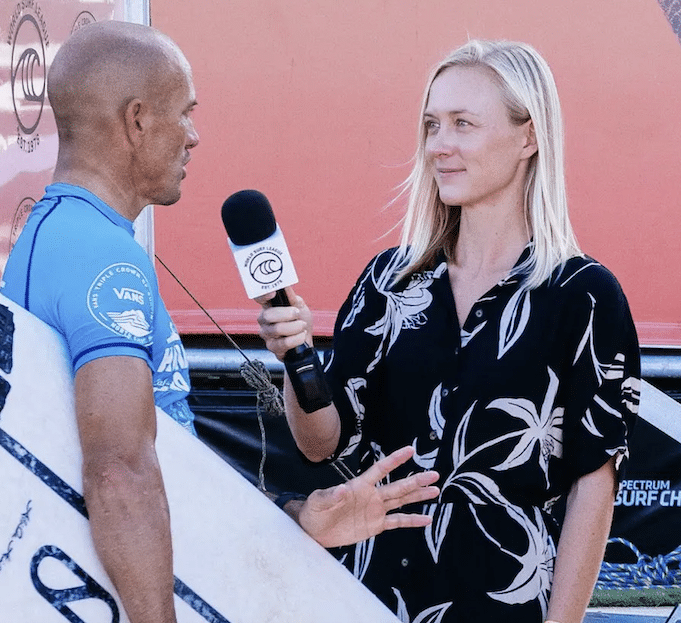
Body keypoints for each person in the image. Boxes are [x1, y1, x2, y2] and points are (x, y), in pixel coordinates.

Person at [1, 20, 439, 623]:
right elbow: (120, 472)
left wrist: (294, 515)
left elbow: (165, 466)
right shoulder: (101, 253)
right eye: (184, 113)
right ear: (137, 121)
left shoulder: (60, 234)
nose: (194, 136)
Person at [257, 39, 641, 623]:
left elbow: (594, 486)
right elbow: (321, 442)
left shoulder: (584, 296)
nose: (440, 146)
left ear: (528, 137)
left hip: (504, 604)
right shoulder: (388, 281)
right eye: (432, 125)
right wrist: (295, 356)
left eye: (463, 124)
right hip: (366, 600)